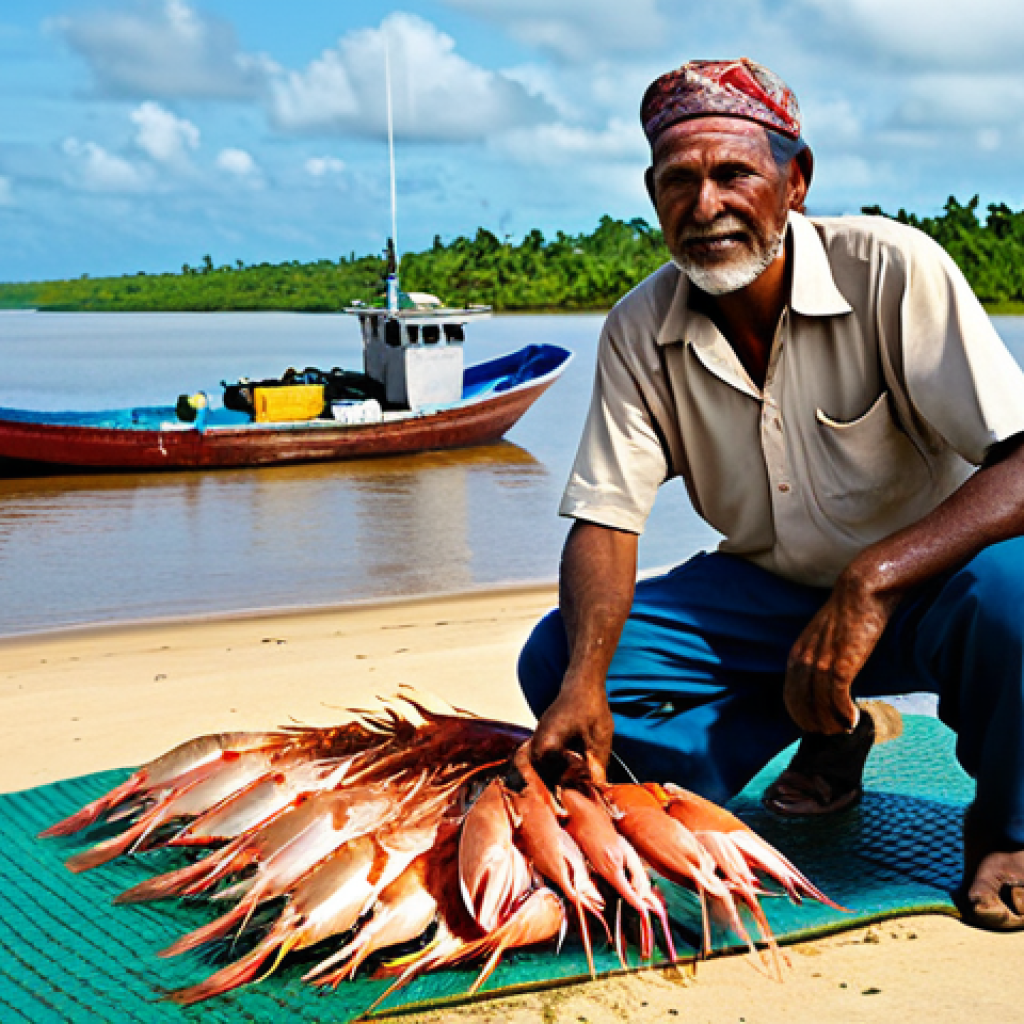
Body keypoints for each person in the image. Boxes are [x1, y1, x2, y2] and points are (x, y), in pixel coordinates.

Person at [517, 58, 1024, 931]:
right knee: (563, 659)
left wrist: (873, 580)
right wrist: (583, 684)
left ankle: (1011, 830)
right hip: (771, 603)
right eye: (679, 181)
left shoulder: (891, 268)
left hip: (936, 587)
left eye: (733, 173)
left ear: (796, 180)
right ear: (652, 194)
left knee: (1019, 596)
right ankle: (828, 728)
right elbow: (606, 514)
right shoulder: (640, 328)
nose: (705, 204)